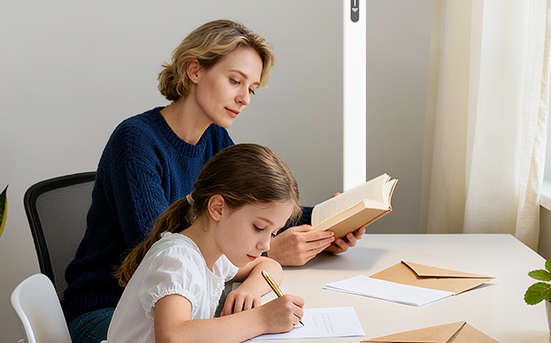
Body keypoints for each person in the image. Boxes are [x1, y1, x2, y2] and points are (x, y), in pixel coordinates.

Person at [62, 19, 364, 343]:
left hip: (177, 304)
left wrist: (329, 223)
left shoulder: (215, 139)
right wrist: (271, 250)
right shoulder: (135, 140)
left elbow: (254, 205)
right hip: (107, 310)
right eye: (235, 81)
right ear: (194, 71)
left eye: (251, 89)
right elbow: (156, 245)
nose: (244, 98)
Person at [107, 144, 305, 343]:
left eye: (273, 233)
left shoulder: (216, 256)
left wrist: (249, 289)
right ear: (218, 209)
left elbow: (270, 266)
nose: (266, 246)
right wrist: (262, 319)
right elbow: (172, 338)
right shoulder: (177, 259)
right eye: (259, 228)